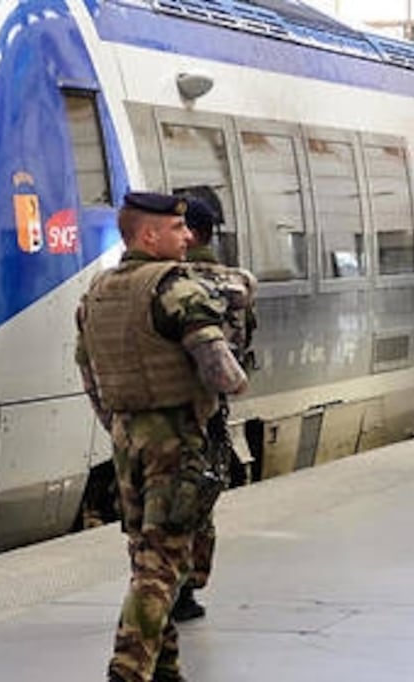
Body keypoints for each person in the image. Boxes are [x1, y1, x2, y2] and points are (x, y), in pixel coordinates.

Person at [75, 191, 249, 682]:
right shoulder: (174, 288)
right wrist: (235, 380)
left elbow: (88, 374)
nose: (188, 236)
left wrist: (117, 424)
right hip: (176, 440)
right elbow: (222, 373)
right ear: (150, 235)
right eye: (178, 230)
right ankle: (127, 671)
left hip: (126, 438)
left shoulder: (98, 291)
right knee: (163, 565)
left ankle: (167, 671)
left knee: (147, 557)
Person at [170, 188, 259, 623]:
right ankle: (187, 588)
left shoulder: (167, 284)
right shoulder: (236, 283)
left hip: (165, 408)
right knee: (201, 500)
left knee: (161, 507)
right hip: (211, 410)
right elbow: (241, 338)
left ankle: (159, 587)